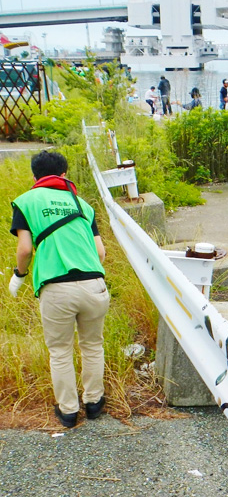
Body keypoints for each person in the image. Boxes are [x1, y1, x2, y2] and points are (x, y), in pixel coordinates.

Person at [9, 151, 110, 428]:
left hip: (57, 288)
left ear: (34, 176)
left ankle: (68, 412)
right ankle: (94, 403)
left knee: (60, 351)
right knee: (92, 345)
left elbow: (26, 248)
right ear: (64, 174)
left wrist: (19, 275)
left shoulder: (26, 201)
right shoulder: (82, 204)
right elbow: (100, 252)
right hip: (94, 285)